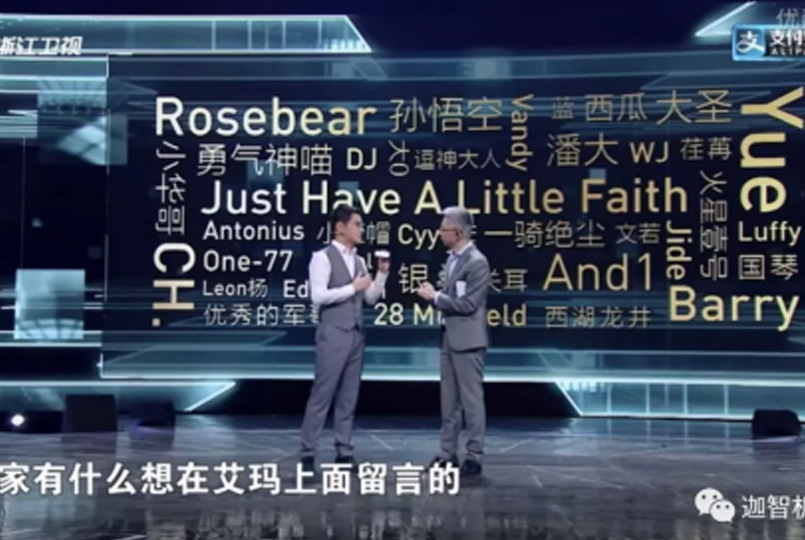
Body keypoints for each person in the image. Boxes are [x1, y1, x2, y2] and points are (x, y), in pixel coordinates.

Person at [299, 204, 389, 472]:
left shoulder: (359, 261)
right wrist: (352, 287)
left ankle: (344, 450)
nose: (362, 229)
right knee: (322, 394)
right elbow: (318, 296)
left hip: (356, 334)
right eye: (357, 224)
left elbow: (370, 298)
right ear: (340, 227)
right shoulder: (322, 257)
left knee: (349, 396)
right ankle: (308, 451)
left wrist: (381, 275)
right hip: (333, 334)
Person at [417, 206, 490, 478]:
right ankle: (447, 453)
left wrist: (435, 297)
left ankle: (474, 455)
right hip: (448, 338)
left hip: (468, 341)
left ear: (458, 233)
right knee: (449, 403)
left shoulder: (477, 262)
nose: (440, 233)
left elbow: (469, 304)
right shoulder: (451, 260)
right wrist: (437, 298)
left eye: (444, 228)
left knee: (471, 402)